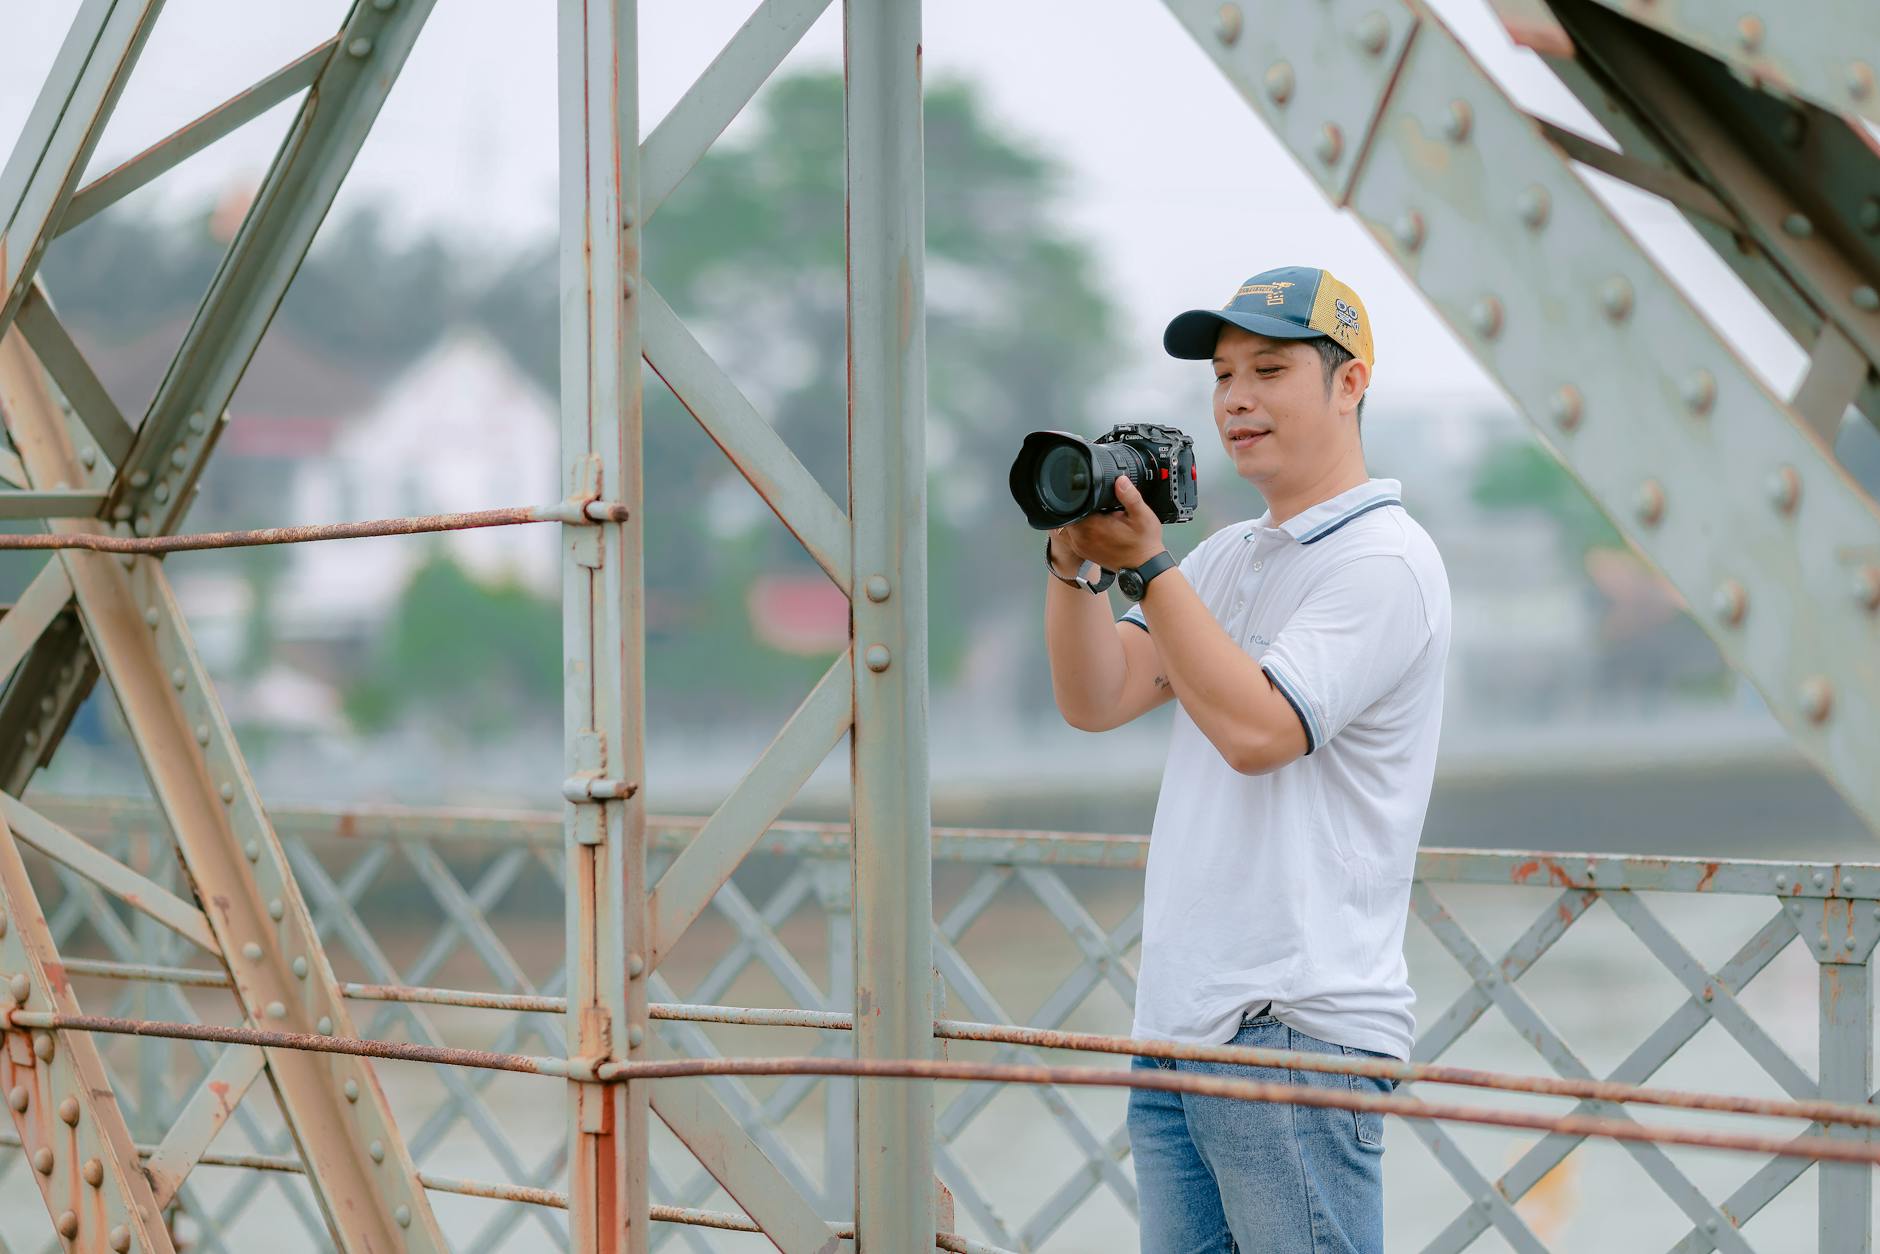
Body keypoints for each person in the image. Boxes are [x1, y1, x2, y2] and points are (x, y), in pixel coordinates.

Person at [1041, 266, 1451, 1253]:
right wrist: (1072, 563)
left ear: (1348, 383)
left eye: (1268, 369)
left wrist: (1146, 566)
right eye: (1221, 375)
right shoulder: (1225, 560)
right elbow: (1095, 698)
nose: (1234, 398)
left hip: (1295, 1033)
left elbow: (1258, 733)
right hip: (1179, 1028)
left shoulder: (1381, 561)